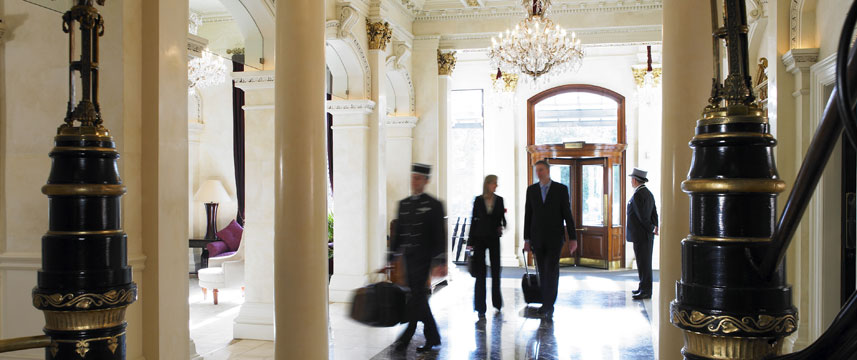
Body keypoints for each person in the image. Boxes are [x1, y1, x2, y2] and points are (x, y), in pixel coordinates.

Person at [390, 163, 448, 353]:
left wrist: (441, 263)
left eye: (418, 178)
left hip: (425, 260)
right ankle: (433, 337)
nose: (414, 181)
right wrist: (390, 259)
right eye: (413, 178)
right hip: (408, 260)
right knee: (418, 299)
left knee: (417, 297)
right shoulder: (404, 204)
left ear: (426, 181)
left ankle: (405, 338)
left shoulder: (434, 205)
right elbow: (398, 236)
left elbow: (440, 236)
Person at [523, 160, 576, 318]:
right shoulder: (531, 190)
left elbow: (567, 215)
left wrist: (573, 238)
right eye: (536, 170)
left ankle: (548, 304)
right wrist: (527, 239)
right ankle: (546, 302)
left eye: (541, 170)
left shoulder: (560, 189)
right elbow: (528, 215)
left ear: (547, 171)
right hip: (537, 238)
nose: (538, 173)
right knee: (542, 270)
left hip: (554, 238)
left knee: (551, 270)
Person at [468, 175, 507, 318]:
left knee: (496, 271)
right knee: (480, 274)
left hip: (493, 239)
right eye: (494, 184)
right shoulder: (478, 200)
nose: (496, 186)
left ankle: (497, 303)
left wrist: (501, 226)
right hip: (479, 239)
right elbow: (473, 220)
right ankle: (480, 307)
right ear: (488, 184)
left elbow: (502, 220)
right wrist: (470, 242)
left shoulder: (499, 200)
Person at [626, 168, 659, 300]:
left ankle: (646, 290)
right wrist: (655, 226)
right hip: (645, 235)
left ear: (634, 180)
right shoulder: (648, 193)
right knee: (643, 263)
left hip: (641, 235)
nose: (631, 181)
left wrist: (651, 228)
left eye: (631, 179)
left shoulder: (638, 195)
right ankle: (643, 287)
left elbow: (642, 216)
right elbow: (654, 213)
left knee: (644, 263)